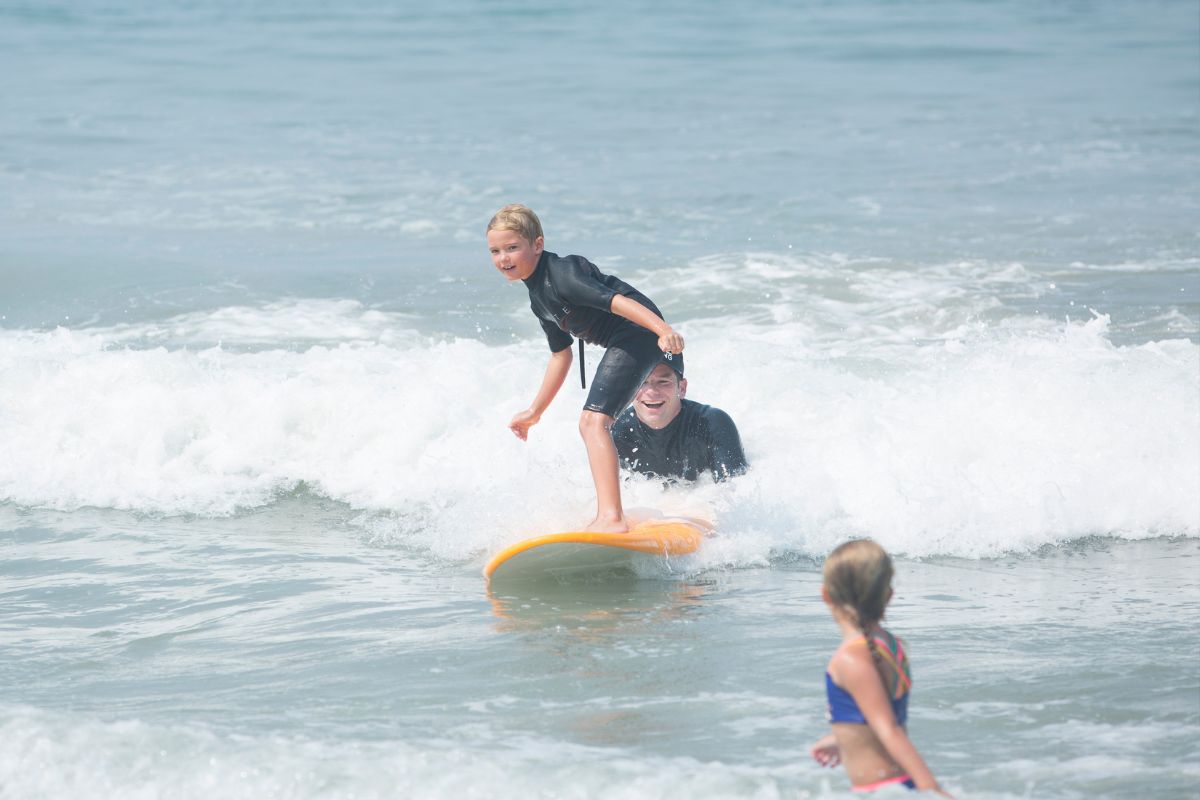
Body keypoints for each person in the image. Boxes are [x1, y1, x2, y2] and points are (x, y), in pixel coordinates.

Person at [486, 204, 684, 533]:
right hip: (633, 339)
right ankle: (618, 510)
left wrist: (663, 330)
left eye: (512, 248)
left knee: (593, 423)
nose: (503, 258)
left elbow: (616, 301)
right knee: (593, 423)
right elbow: (560, 355)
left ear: (537, 245)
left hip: (642, 334)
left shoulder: (563, 275)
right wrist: (535, 411)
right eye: (495, 251)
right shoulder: (538, 296)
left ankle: (612, 517)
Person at [810, 539, 952, 796]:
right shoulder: (890, 645)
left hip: (882, 791)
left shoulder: (852, 658)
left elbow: (890, 731)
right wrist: (844, 740)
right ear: (888, 595)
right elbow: (883, 716)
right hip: (895, 788)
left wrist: (934, 791)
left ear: (826, 596)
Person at [610, 356, 747, 482]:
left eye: (663, 382)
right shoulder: (617, 431)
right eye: (641, 382)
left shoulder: (713, 423)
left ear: (682, 388)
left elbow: (733, 493)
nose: (651, 392)